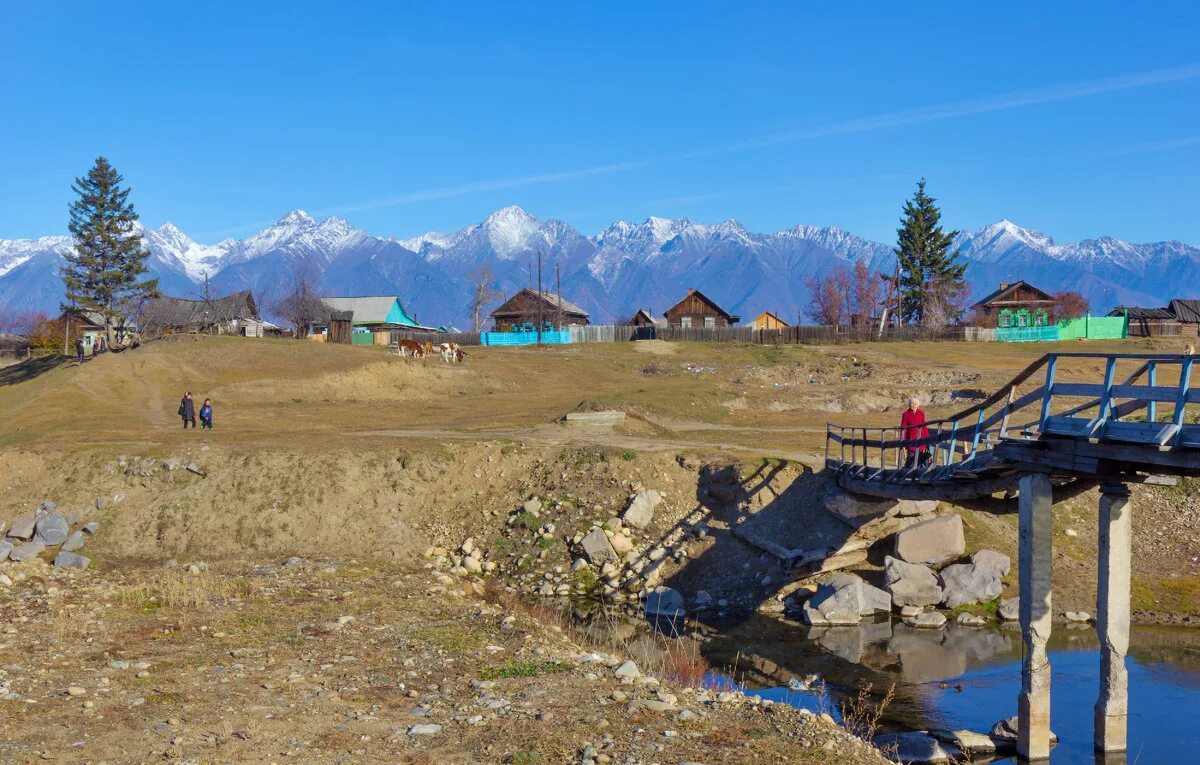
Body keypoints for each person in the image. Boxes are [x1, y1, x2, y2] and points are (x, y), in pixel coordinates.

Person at [901, 396, 931, 469]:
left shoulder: (921, 413)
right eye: (911, 403)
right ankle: (907, 471)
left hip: (921, 438)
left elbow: (924, 426)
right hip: (910, 439)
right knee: (911, 457)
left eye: (915, 404)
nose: (913, 405)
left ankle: (920, 473)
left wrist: (927, 438)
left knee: (921, 456)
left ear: (918, 405)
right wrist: (903, 440)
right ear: (909, 405)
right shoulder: (905, 414)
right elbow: (903, 428)